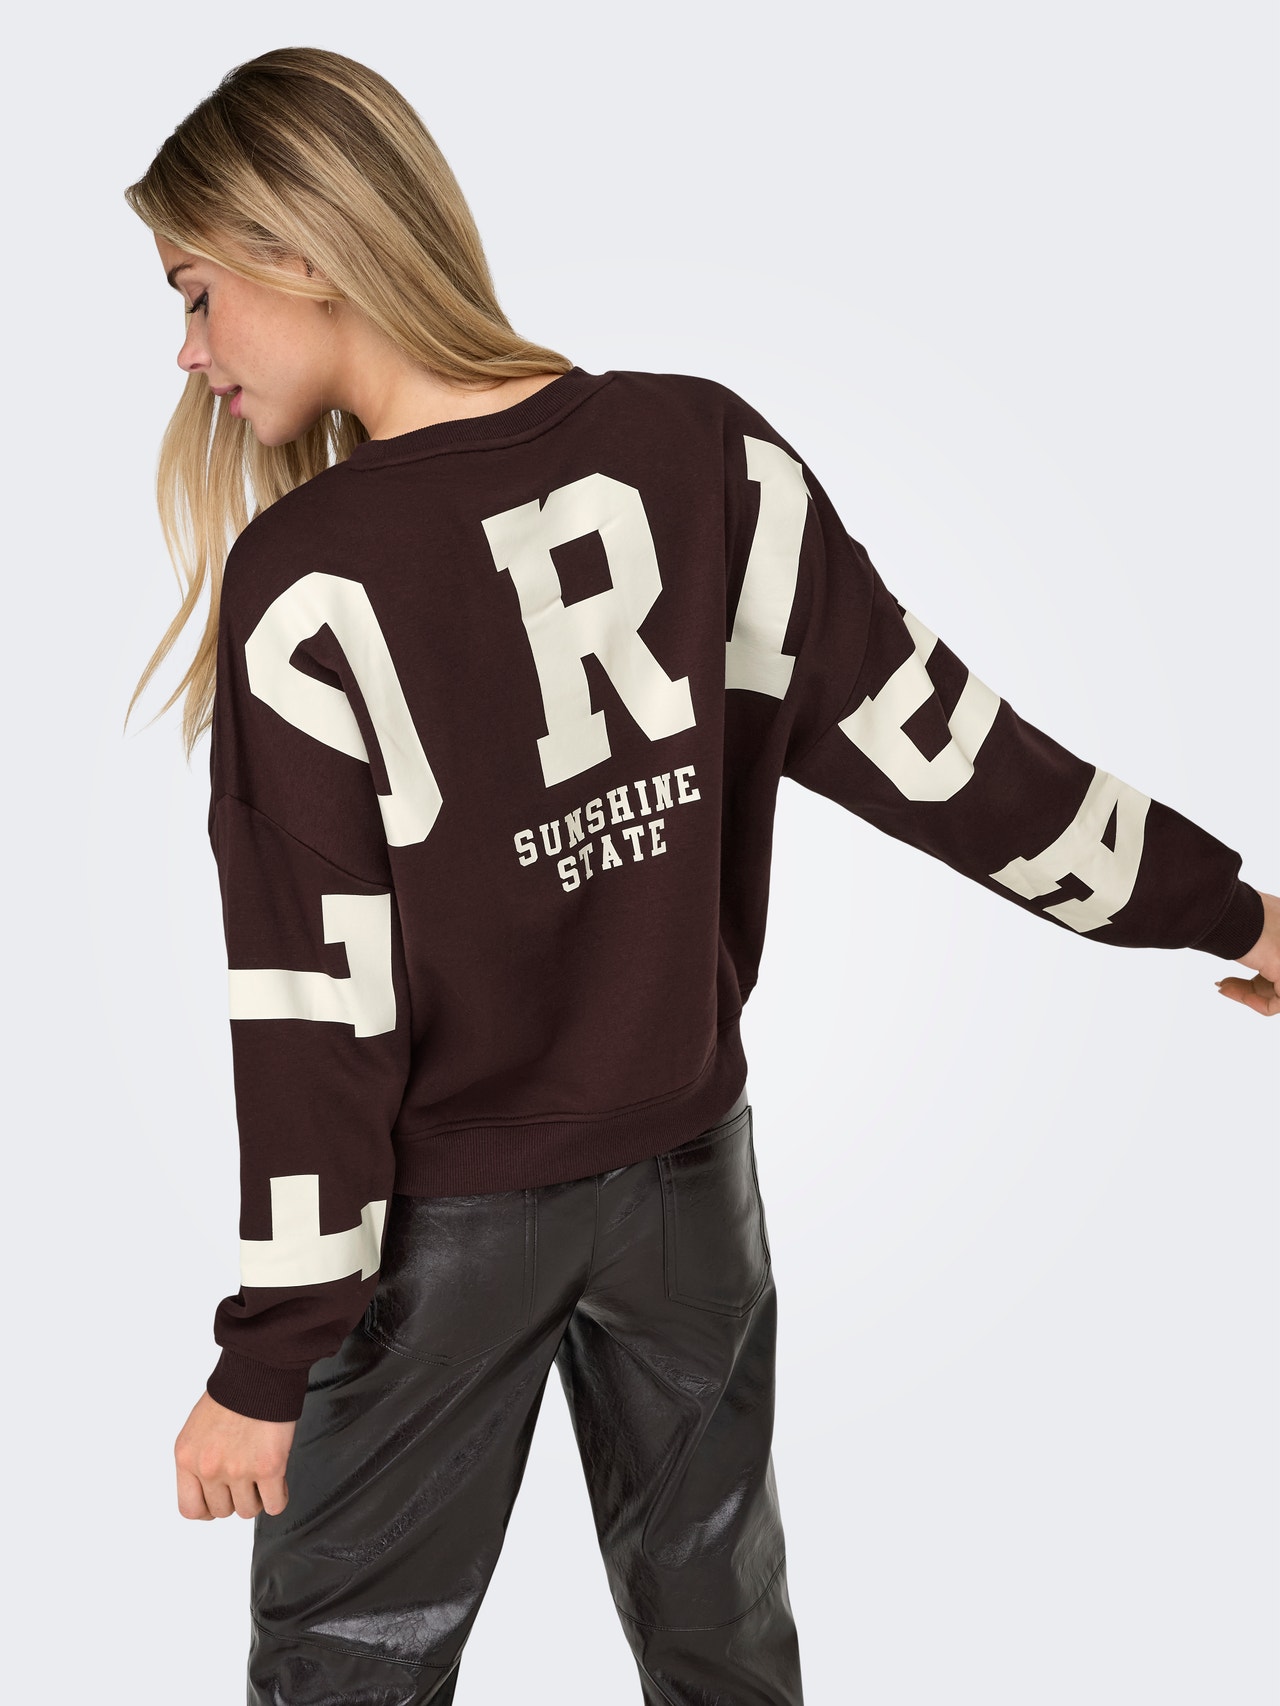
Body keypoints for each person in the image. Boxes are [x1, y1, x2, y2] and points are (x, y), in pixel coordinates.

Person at [124, 45, 1277, 1706]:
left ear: (299, 250)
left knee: (345, 1674)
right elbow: (952, 754)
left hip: (438, 1234)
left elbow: (318, 1007)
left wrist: (270, 1353)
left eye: (195, 292)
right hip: (691, 1199)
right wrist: (1236, 912)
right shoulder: (704, 451)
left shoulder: (305, 584)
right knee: (727, 1648)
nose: (188, 350)